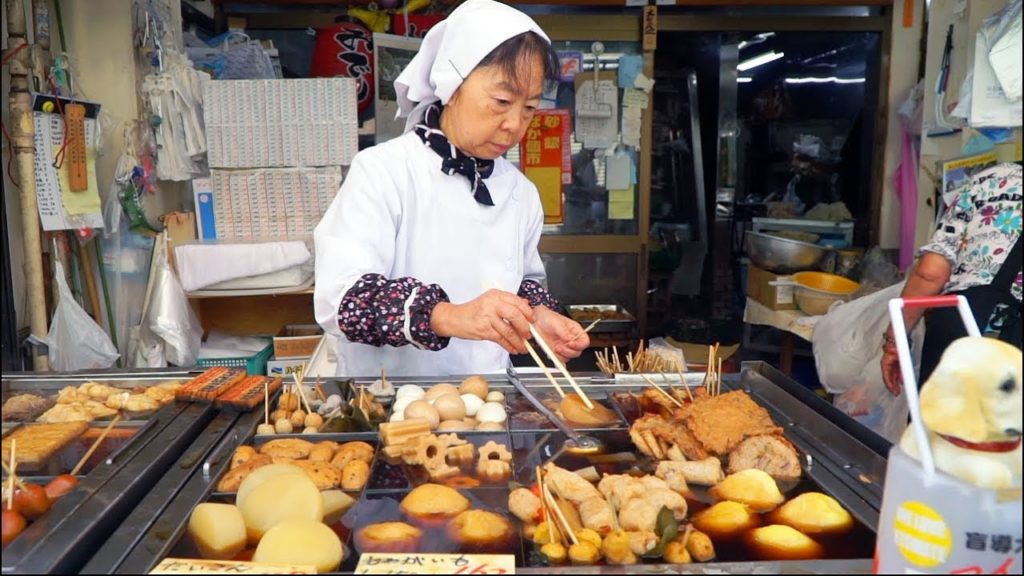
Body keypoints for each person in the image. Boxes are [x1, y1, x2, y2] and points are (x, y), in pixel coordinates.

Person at [314, 0, 590, 377]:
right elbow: (341, 299)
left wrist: (536, 314)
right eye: (502, 101)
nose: (515, 124)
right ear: (451, 83)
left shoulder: (520, 193)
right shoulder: (384, 171)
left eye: (529, 108)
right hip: (389, 398)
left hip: (487, 397)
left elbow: (522, 280)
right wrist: (450, 316)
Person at [881, 162, 1022, 395]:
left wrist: (895, 342)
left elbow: (930, 272)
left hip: (961, 322)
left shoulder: (991, 179)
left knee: (941, 416)